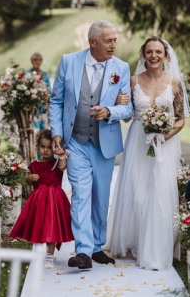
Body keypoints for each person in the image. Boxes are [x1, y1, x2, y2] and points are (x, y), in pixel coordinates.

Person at [49, 20, 132, 270]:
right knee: (81, 194)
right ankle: (83, 250)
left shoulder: (122, 68)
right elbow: (56, 100)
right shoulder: (68, 61)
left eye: (115, 40)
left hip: (104, 142)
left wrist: (109, 110)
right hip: (75, 141)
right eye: (109, 41)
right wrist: (56, 132)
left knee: (101, 195)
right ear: (92, 42)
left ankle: (97, 245)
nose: (113, 45)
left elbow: (128, 107)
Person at [107, 36, 189, 270]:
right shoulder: (132, 81)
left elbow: (181, 118)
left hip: (164, 143)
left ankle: (155, 249)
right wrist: (118, 101)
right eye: (149, 52)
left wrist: (164, 135)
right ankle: (135, 242)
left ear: (166, 56)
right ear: (143, 55)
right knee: (138, 193)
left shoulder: (175, 83)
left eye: (158, 52)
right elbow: (125, 114)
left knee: (160, 192)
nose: (154, 56)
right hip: (137, 141)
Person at [10, 130, 73, 269]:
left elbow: (63, 167)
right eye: (43, 147)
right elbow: (28, 181)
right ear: (38, 147)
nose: (46, 150)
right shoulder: (34, 165)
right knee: (38, 226)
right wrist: (30, 178)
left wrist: (61, 153)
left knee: (53, 228)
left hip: (54, 202)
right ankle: (38, 254)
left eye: (50, 147)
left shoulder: (57, 163)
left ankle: (49, 256)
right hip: (38, 202)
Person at [28, 53, 52, 131]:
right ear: (31, 61)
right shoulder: (27, 74)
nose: (37, 62)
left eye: (39, 60)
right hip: (31, 106)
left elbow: (49, 90)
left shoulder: (45, 75)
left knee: (44, 128)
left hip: (43, 106)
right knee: (34, 129)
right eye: (35, 60)